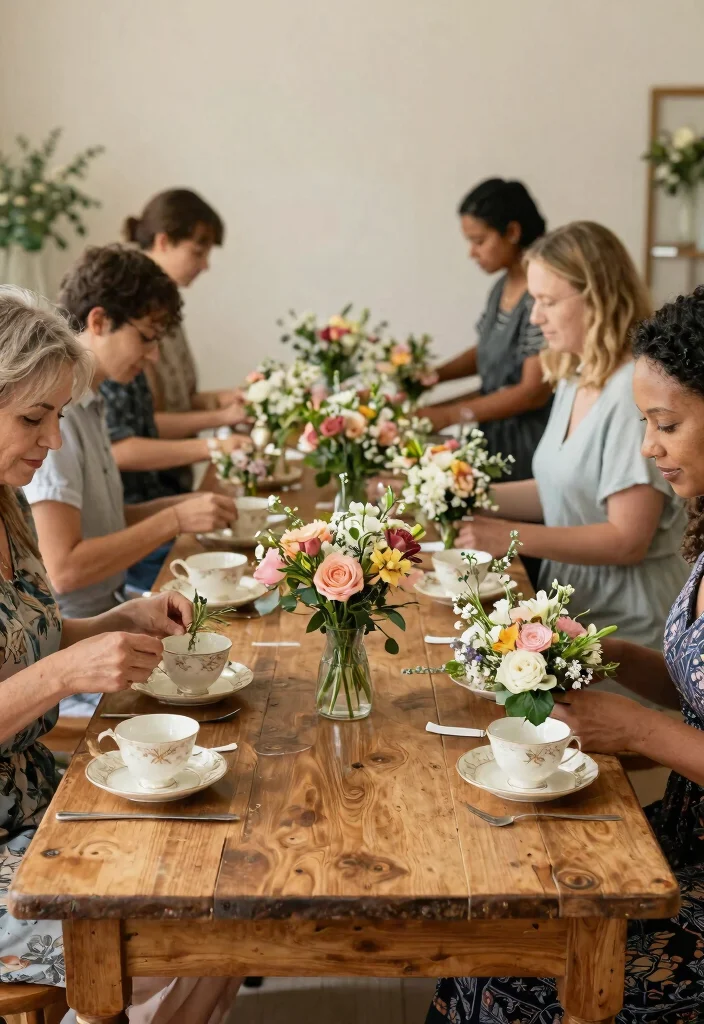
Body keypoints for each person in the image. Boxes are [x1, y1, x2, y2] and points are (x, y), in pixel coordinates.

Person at [427, 284, 704, 1024]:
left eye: (667, 425)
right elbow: (695, 687)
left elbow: (672, 722)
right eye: (645, 424)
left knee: (506, 970)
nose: (649, 447)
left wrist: (639, 731)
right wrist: (597, 653)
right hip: (675, 844)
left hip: (693, 885)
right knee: (483, 937)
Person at [0, 288, 240, 1021]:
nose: (51, 443)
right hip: (16, 837)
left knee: (228, 896)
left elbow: (27, 641)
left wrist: (119, 619)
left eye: (58, 418)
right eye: (32, 419)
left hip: (41, 799)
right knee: (179, 938)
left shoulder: (6, 503)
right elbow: (39, 672)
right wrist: (66, 674)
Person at [456, 222, 688, 669]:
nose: (536, 317)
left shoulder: (629, 392)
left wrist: (509, 537)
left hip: (629, 625)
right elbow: (560, 488)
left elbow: (627, 540)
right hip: (575, 610)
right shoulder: (576, 374)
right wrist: (463, 496)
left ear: (598, 296)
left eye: (547, 302)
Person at [23, 246, 237, 714]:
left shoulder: (90, 404)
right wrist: (177, 516)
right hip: (77, 667)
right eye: (147, 338)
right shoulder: (53, 426)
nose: (154, 356)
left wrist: (186, 505)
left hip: (103, 624)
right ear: (98, 322)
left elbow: (107, 520)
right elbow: (66, 568)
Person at [426, 178, 553, 481]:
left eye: (479, 241)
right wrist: (434, 376)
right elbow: (488, 349)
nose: (472, 252)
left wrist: (447, 414)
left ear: (512, 232)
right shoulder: (501, 287)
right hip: (493, 435)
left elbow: (532, 392)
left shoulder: (541, 293)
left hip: (527, 446)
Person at [123, 188, 246, 493]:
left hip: (175, 481)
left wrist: (233, 398)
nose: (205, 266)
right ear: (163, 241)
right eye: (197, 252)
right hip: (145, 492)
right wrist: (220, 422)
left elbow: (180, 401)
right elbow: (139, 427)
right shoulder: (128, 314)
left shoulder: (166, 306)